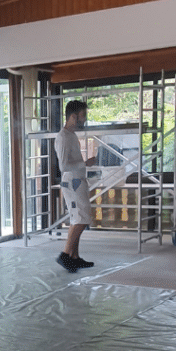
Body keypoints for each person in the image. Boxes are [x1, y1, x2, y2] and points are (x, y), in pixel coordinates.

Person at [54, 99, 98, 272]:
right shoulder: (63, 137)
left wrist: (84, 165)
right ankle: (65, 254)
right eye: (82, 116)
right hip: (72, 181)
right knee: (80, 218)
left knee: (79, 217)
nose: (84, 119)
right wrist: (85, 164)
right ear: (73, 116)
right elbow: (64, 166)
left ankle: (74, 256)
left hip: (77, 180)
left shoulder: (71, 136)